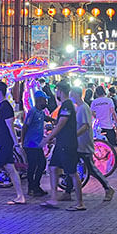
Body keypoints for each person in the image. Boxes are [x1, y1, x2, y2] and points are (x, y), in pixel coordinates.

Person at [41, 81, 82, 211]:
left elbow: (61, 124)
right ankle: (53, 198)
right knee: (53, 167)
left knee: (72, 172)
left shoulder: (67, 105)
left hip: (67, 144)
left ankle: (80, 203)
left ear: (59, 91)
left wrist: (48, 138)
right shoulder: (65, 105)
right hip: (61, 143)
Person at [72, 86, 113, 203]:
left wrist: (74, 135)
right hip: (79, 143)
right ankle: (68, 190)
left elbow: (85, 126)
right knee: (71, 167)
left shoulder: (84, 108)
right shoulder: (79, 108)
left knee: (91, 168)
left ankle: (108, 188)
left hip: (84, 143)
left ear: (75, 94)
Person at [21, 90, 48, 198]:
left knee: (42, 164)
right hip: (31, 144)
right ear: (38, 100)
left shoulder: (41, 112)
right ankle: (31, 188)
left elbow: (44, 118)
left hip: (38, 144)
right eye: (44, 100)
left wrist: (52, 119)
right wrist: (23, 142)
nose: (45, 102)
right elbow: (25, 127)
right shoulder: (32, 112)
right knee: (32, 166)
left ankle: (36, 185)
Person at [90, 86, 117, 152]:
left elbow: (92, 113)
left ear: (96, 93)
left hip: (99, 127)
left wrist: (97, 116)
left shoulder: (94, 102)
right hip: (109, 126)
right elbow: (113, 113)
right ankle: (115, 161)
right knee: (113, 146)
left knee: (100, 146)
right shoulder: (109, 100)